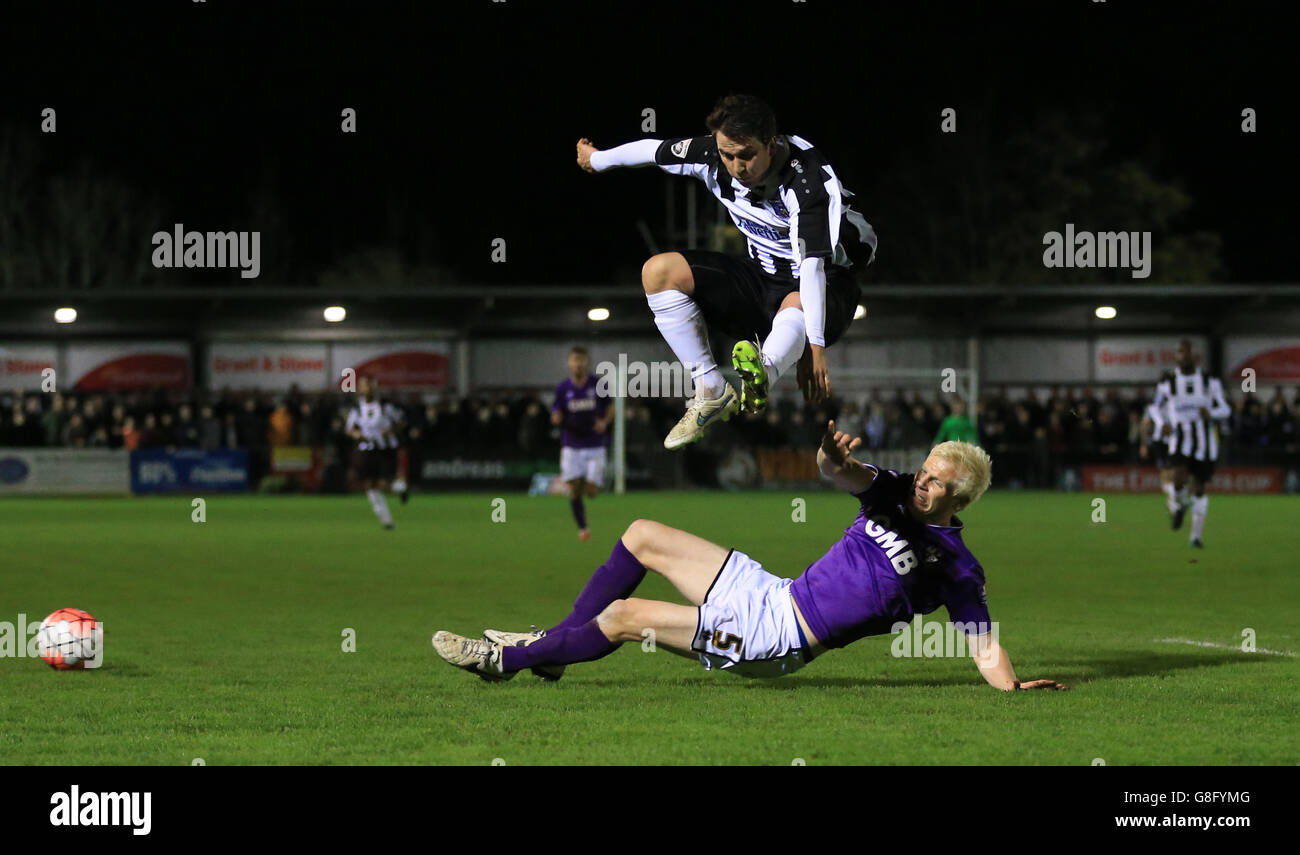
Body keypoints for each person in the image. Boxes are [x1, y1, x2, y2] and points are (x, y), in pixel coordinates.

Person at [433, 421, 1067, 693]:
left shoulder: (956, 567)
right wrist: (830, 454)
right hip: (773, 593)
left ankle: (509, 660)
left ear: (963, 500)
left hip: (778, 639)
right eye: (925, 471)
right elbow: (837, 471)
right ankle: (557, 653)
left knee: (625, 616)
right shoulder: (895, 493)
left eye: (938, 483)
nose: (922, 483)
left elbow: (982, 643)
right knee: (641, 533)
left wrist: (1009, 684)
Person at [576, 93, 877, 449]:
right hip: (760, 278)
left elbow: (811, 266)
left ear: (771, 143)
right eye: (727, 154)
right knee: (658, 271)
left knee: (798, 298)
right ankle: (710, 388)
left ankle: (762, 373)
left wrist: (815, 347)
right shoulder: (711, 156)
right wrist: (598, 159)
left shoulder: (809, 182)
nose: (736, 165)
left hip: (830, 286)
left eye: (747, 155)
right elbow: (652, 152)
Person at [1148, 341, 1231, 547]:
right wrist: (1162, 423)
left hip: (1205, 443)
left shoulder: (1209, 380)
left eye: (1188, 353)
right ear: (1176, 357)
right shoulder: (1168, 380)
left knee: (1200, 488)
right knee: (1177, 479)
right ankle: (1179, 506)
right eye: (1180, 353)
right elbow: (1154, 407)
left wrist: (1211, 413)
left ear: (1195, 357)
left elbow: (1226, 409)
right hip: (1179, 438)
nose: (1184, 357)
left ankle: (1195, 537)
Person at [552, 346, 612, 541]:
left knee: (592, 491)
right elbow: (556, 411)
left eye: (581, 360)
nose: (578, 364)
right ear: (569, 363)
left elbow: (610, 408)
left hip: (595, 443)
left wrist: (604, 422)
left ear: (587, 362)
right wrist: (556, 417)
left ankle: (588, 484)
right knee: (574, 487)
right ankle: (583, 527)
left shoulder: (597, 384)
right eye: (575, 360)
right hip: (571, 443)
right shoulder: (563, 388)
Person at [344, 375, 401, 529]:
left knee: (383, 484)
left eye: (370, 385)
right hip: (366, 450)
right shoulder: (356, 408)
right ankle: (386, 520)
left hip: (384, 449)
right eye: (364, 385)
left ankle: (401, 488)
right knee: (370, 485)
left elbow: (400, 422)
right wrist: (356, 434)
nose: (367, 389)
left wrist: (389, 432)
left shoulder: (384, 406)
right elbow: (349, 428)